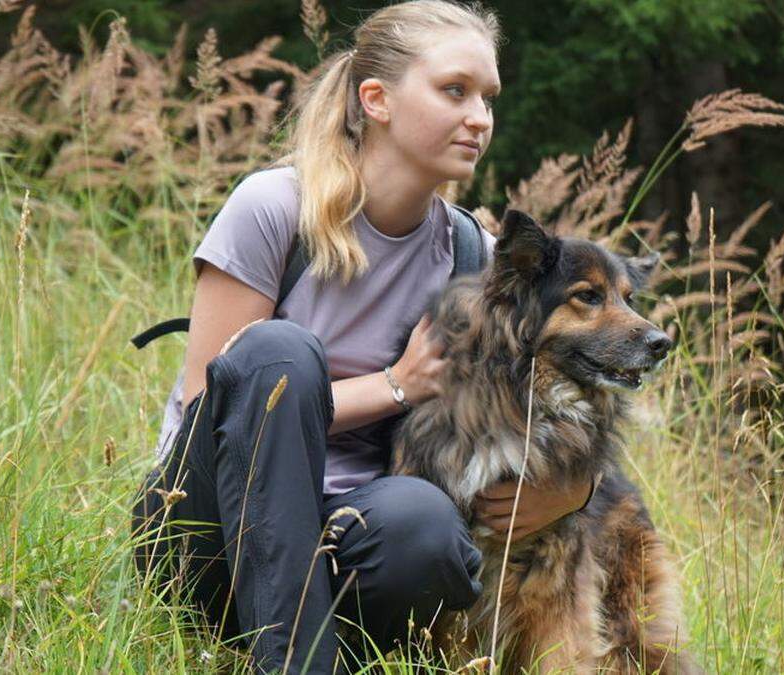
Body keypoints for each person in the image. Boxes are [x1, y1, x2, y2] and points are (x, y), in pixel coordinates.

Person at [131, 2, 594, 672]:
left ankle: (330, 651)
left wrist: (573, 487)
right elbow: (217, 407)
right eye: (454, 91)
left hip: (352, 545)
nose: (480, 118)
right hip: (209, 537)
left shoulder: (474, 257)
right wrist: (395, 385)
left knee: (425, 521)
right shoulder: (274, 209)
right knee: (279, 353)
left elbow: (565, 388)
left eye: (489, 98)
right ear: (376, 99)